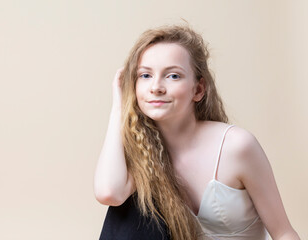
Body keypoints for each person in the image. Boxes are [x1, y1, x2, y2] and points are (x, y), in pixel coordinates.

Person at [94, 23, 300, 240]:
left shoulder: (236, 146)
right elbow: (109, 193)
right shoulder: (144, 152)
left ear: (198, 89)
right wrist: (119, 107)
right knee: (134, 206)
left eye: (173, 76)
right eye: (145, 76)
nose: (156, 87)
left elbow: (284, 233)